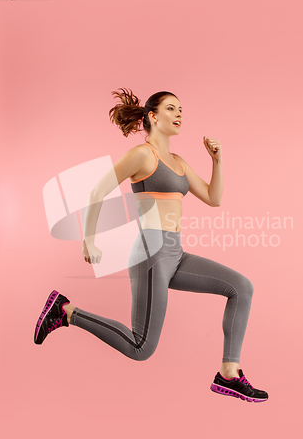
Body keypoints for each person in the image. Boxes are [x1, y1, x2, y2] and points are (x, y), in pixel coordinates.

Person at [34, 88, 268, 403]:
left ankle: (229, 373)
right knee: (141, 347)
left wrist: (218, 160)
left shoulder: (180, 162)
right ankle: (66, 311)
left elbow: (214, 199)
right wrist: (88, 239)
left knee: (241, 287)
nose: (179, 113)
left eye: (181, 108)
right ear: (153, 117)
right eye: (172, 108)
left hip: (175, 251)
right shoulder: (143, 154)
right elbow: (96, 193)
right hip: (151, 249)